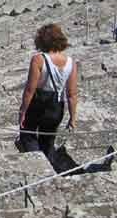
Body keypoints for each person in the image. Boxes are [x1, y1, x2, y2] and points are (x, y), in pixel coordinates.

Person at [18, 24, 79, 159]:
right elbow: (72, 94)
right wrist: (73, 118)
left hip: (37, 104)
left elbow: (30, 89)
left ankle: (37, 166)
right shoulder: (71, 62)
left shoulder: (39, 59)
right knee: (48, 143)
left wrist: (23, 111)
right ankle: (49, 167)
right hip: (56, 106)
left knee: (28, 137)